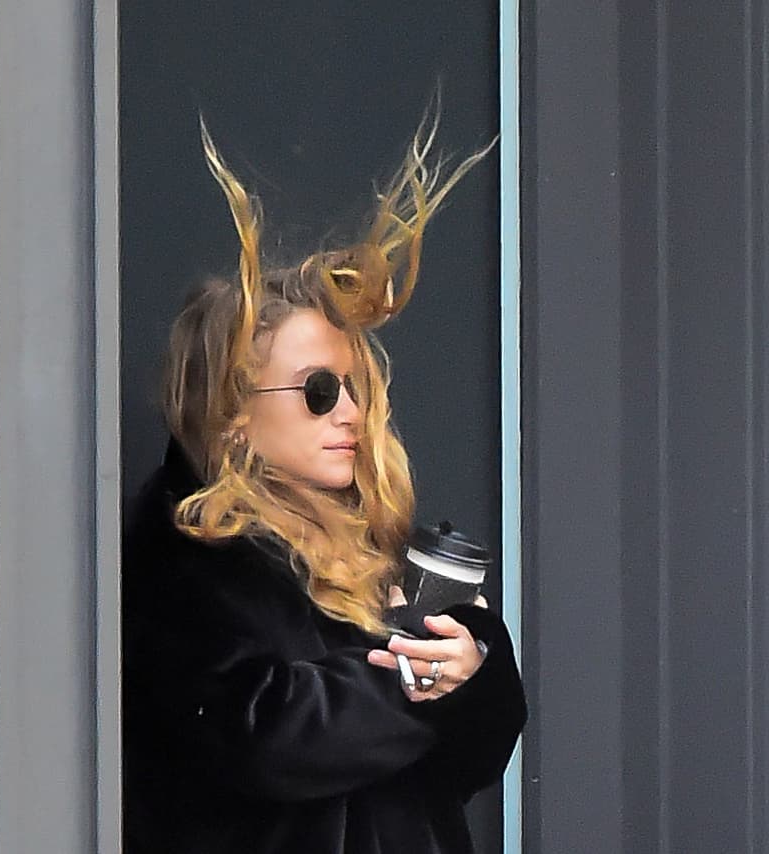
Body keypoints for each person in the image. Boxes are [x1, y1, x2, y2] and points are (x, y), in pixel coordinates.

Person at [122, 107, 526, 854]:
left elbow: (467, 769)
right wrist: (416, 679)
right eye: (317, 390)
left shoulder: (372, 539)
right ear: (233, 412)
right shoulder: (189, 552)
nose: (350, 412)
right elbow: (260, 735)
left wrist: (474, 664)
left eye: (355, 387)